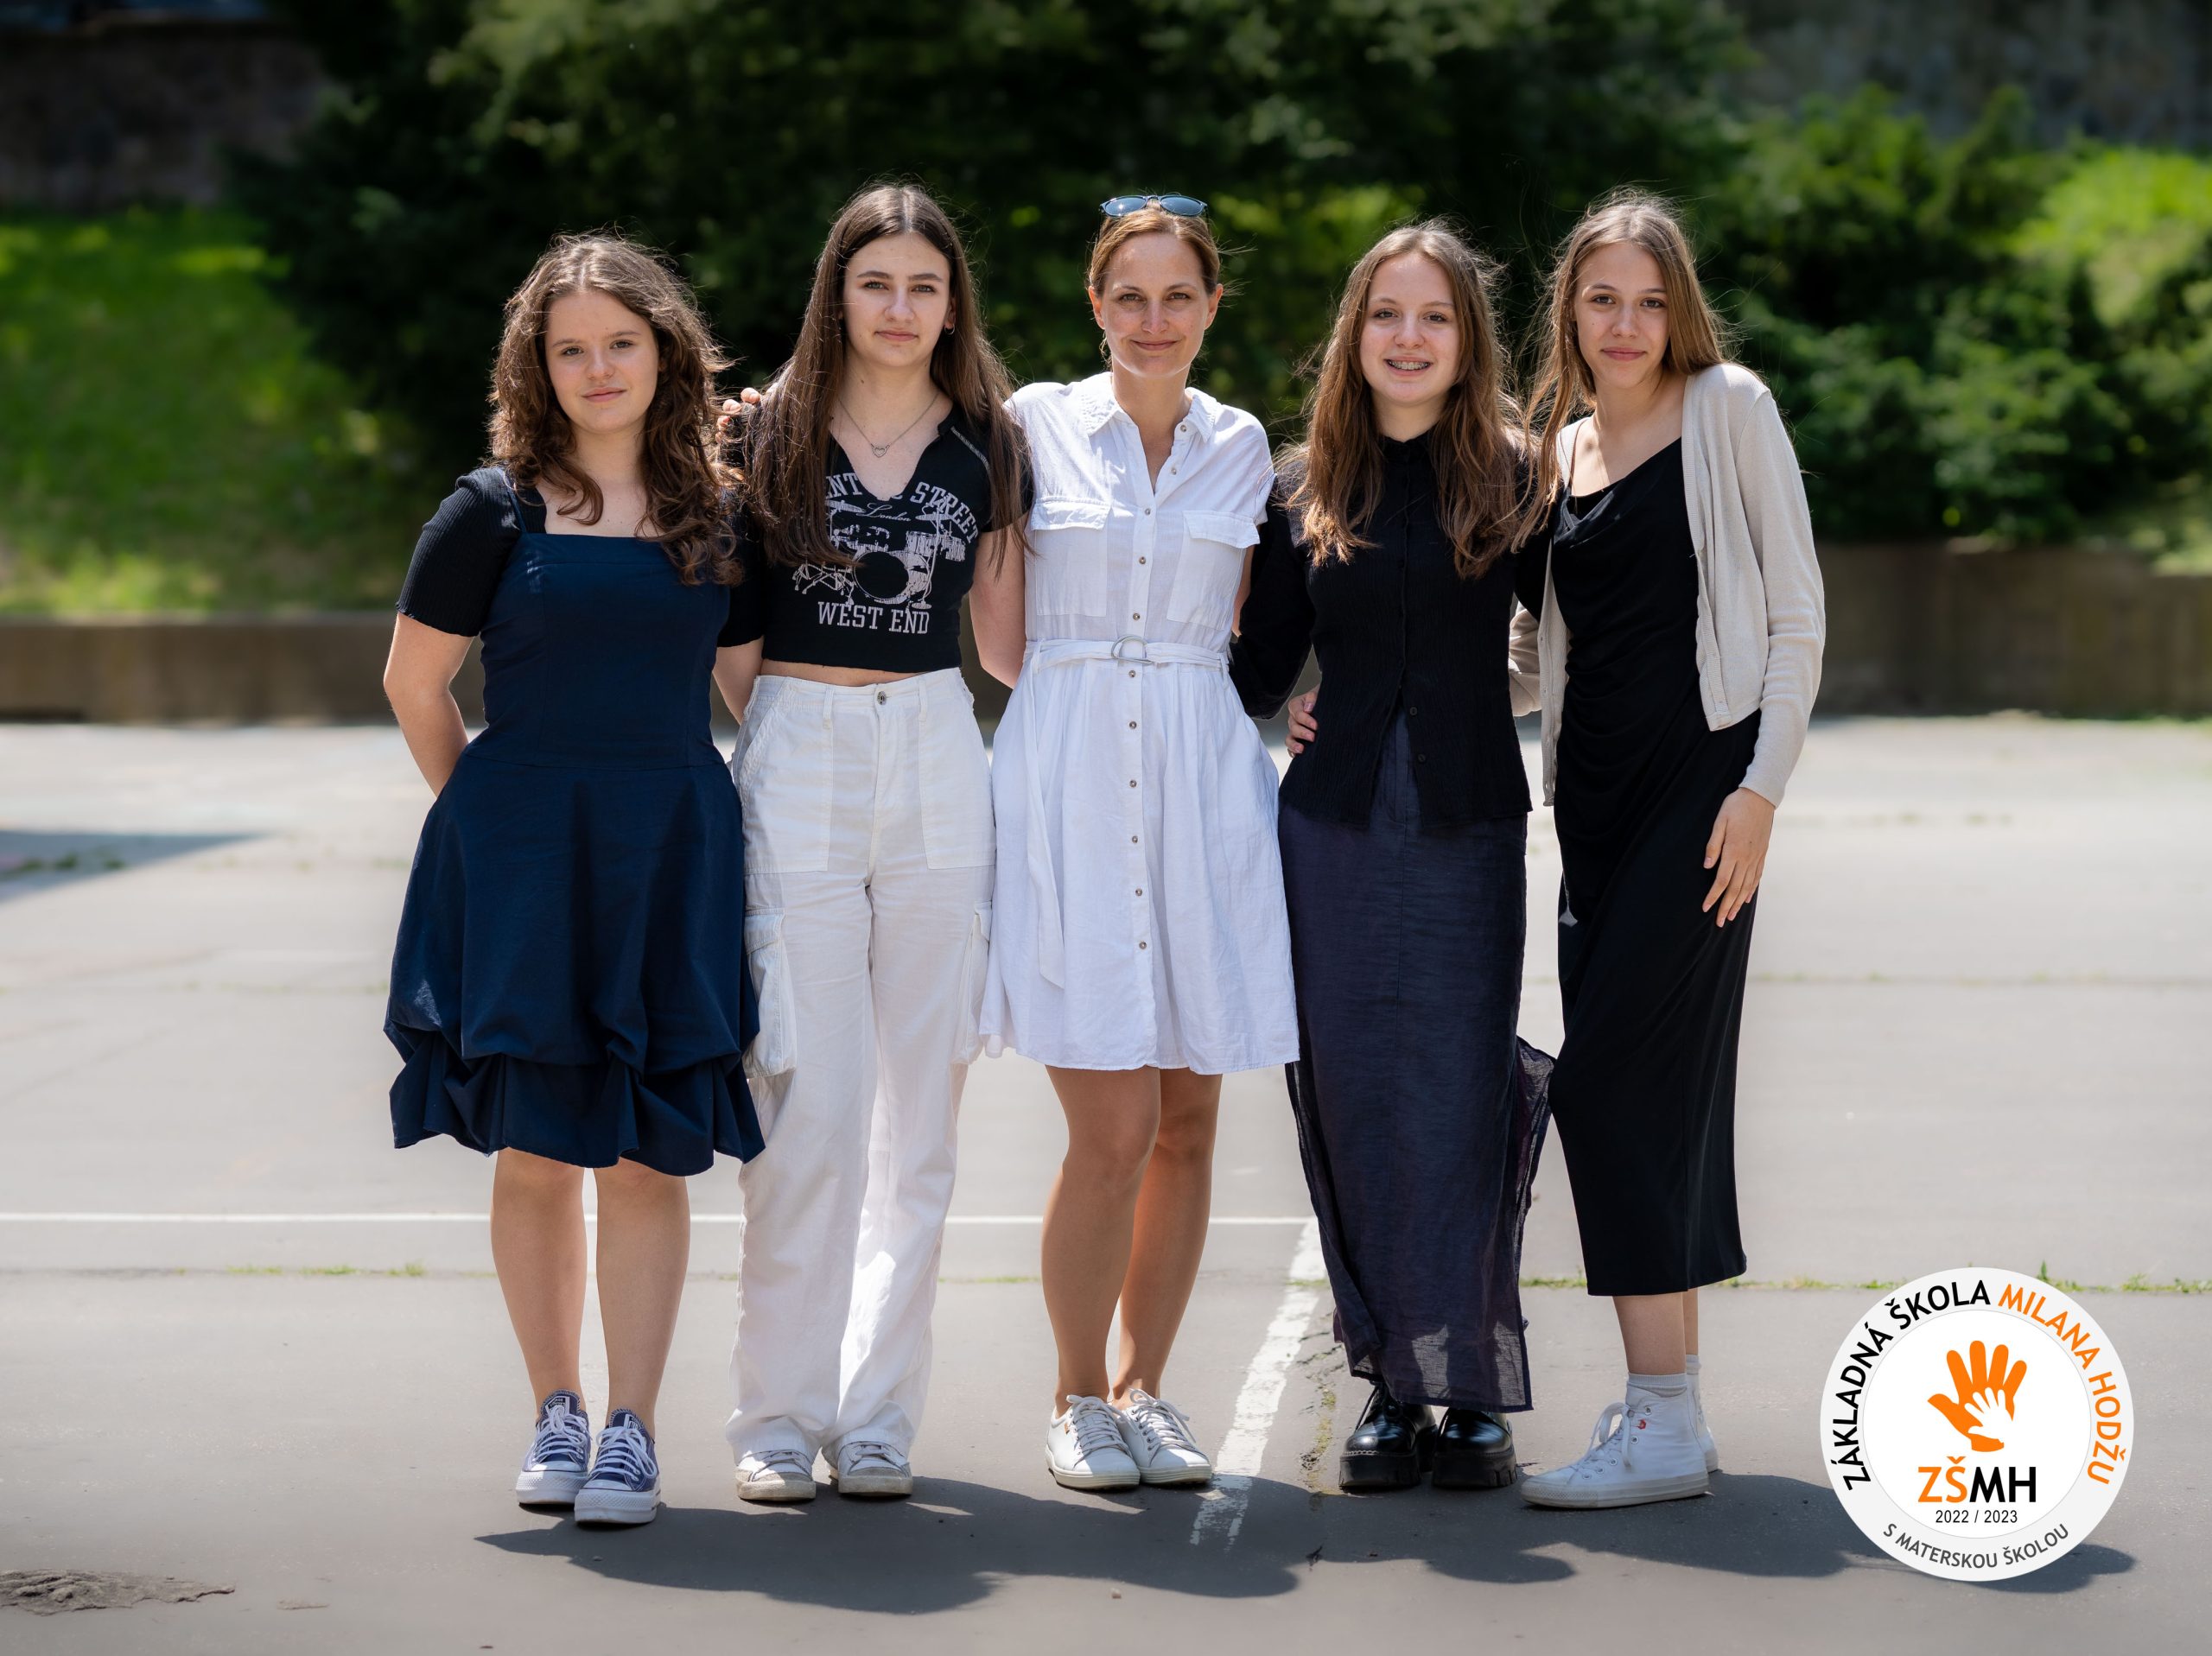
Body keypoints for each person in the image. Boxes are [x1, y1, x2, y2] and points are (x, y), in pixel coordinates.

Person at [382, 233, 762, 1529]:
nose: (599, 369)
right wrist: (489, 824)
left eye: (621, 343)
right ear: (536, 368)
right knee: (539, 1148)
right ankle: (557, 1406)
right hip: (529, 862)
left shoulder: (721, 511)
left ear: (665, 352)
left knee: (651, 1153)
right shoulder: (490, 510)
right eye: (571, 350)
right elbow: (415, 683)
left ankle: (633, 1430)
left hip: (668, 854)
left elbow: (757, 693)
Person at [1508, 190, 1824, 1507]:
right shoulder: (1557, 454)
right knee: (1660, 1101)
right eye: (1602, 300)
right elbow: (1537, 651)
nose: (1626, 323)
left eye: (1648, 300)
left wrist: (1760, 792)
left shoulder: (1729, 408)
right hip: (1591, 815)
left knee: (1607, 1091)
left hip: (1701, 807)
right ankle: (1674, 1407)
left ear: (1677, 307)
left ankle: (1659, 1416)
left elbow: (1798, 616)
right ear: (1571, 313)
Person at [716, 185, 1030, 1504]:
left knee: (922, 1120)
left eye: (924, 286)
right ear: (835, 293)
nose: (900, 308)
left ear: (952, 306)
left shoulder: (991, 444)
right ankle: (778, 1415)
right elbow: (735, 651)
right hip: (799, 746)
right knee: (810, 1102)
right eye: (876, 282)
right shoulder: (760, 432)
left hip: (938, 758)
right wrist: (808, 733)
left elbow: (1006, 648)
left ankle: (881, 1413)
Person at [979, 194, 1298, 1492]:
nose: (1153, 320)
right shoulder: (1030, 425)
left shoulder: (1246, 448)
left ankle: (1144, 1387)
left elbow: (1261, 627)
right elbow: (1002, 645)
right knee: (1111, 1126)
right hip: (1069, 776)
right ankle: (1074, 1395)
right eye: (1130, 296)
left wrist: (1300, 700)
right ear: (1095, 304)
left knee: (1189, 1121)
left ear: (1212, 306)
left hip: (1204, 785)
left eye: (1178, 296)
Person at [1231, 222, 1552, 1494]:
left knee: (1463, 1091)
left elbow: (1578, 627)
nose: (1409, 338)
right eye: (1386, 315)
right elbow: (1253, 671)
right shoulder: (1300, 485)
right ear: (1353, 335)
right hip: (1335, 829)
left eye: (1435, 316)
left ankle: (1465, 1384)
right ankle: (1385, 1380)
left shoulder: (1518, 475)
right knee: (1356, 1091)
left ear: (1467, 339)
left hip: (1472, 819)